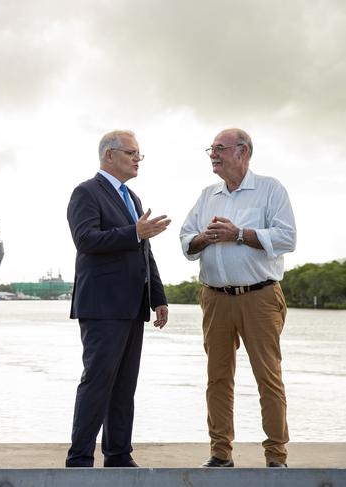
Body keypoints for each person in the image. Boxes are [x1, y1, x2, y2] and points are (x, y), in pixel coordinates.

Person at [179, 128, 297, 468]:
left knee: (267, 377)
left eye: (220, 148)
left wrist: (239, 235)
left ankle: (276, 457)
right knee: (217, 378)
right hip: (214, 299)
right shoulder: (207, 195)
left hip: (259, 297)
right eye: (211, 149)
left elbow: (287, 237)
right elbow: (186, 240)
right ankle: (220, 453)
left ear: (242, 152)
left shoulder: (270, 189)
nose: (213, 154)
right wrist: (205, 237)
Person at [65, 130, 170, 468]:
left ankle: (119, 456)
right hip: (102, 305)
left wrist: (158, 296)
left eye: (140, 154)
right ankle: (79, 460)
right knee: (98, 382)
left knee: (124, 386)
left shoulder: (133, 198)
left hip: (132, 304)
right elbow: (85, 239)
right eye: (131, 152)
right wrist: (134, 232)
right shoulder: (86, 192)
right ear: (109, 155)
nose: (137, 158)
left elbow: (145, 251)